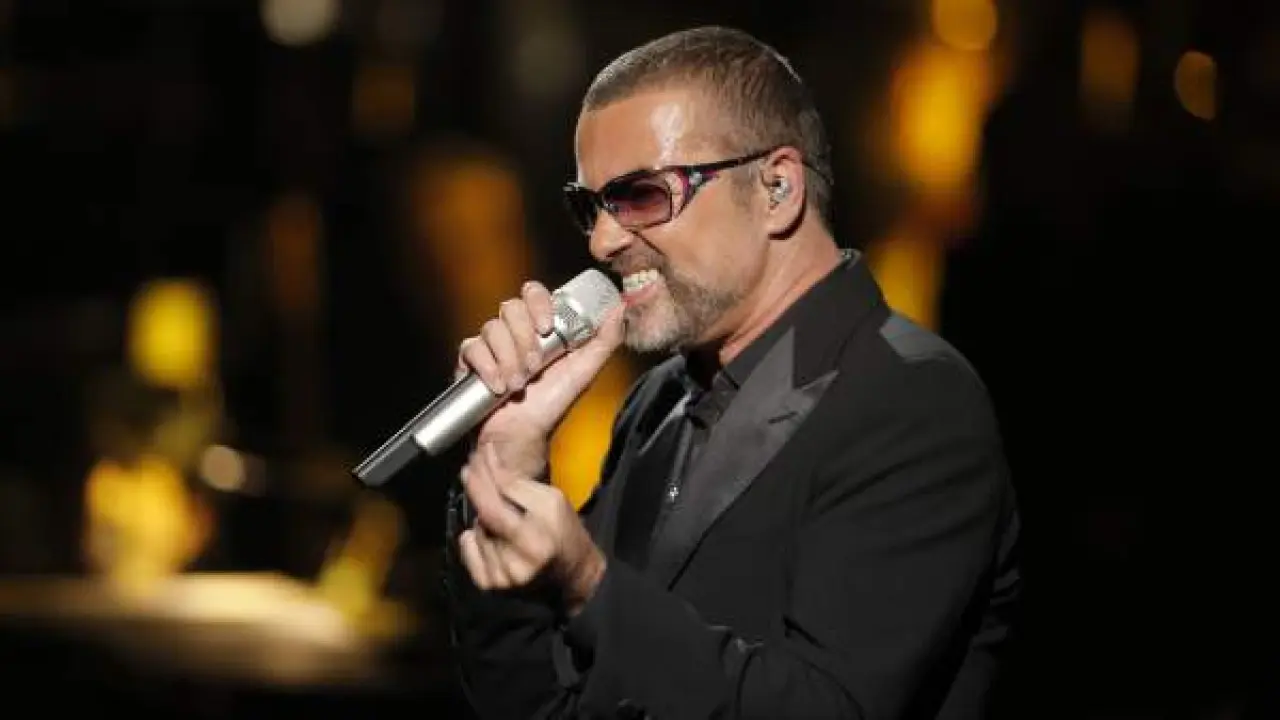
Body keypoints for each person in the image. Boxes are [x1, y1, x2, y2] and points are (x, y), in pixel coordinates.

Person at [442, 26, 1021, 720]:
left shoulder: (912, 400)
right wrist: (505, 470)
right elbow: (543, 703)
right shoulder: (659, 403)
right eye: (590, 206)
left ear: (777, 188)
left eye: (643, 195)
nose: (601, 240)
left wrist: (591, 587)